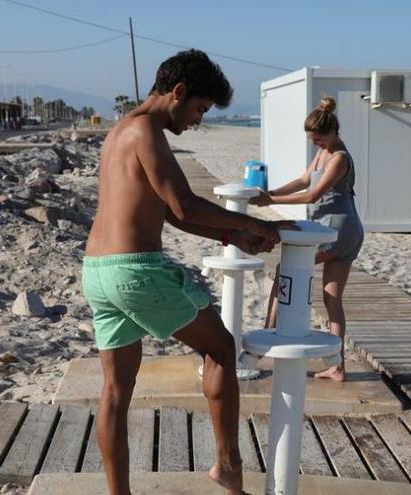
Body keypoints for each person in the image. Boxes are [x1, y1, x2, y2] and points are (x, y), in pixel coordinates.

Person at [81, 49, 292, 495]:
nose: (197, 120)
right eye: (199, 109)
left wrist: (231, 237)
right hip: (134, 271)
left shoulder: (119, 131)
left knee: (116, 392)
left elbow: (169, 214)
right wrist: (258, 224)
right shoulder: (146, 130)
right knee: (220, 348)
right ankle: (229, 467)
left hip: (97, 272)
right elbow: (184, 204)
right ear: (177, 92)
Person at [251, 96, 364, 382]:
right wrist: (270, 193)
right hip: (336, 228)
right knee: (331, 299)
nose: (316, 144)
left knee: (284, 270)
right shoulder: (325, 152)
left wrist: (270, 200)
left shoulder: (338, 157)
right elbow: (303, 180)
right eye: (312, 140)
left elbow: (312, 195)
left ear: (333, 132)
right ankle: (337, 366)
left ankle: (267, 339)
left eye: (319, 139)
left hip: (337, 229)